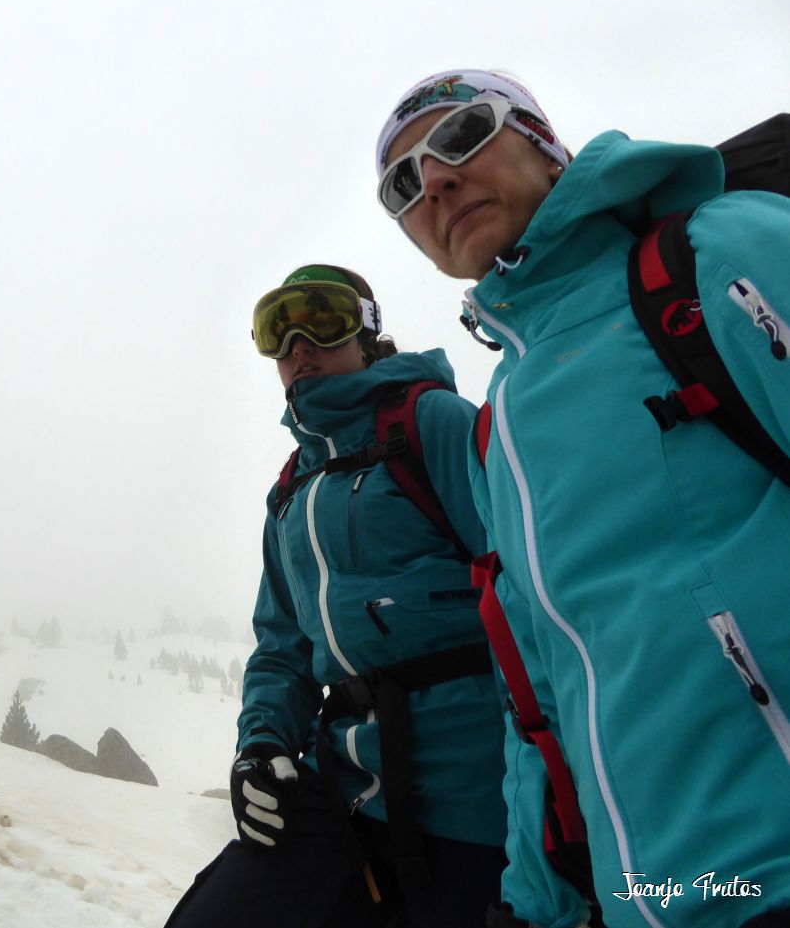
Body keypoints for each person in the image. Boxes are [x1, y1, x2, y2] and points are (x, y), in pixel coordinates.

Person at [375, 69, 790, 928]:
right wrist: (535, 905)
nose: (435, 180)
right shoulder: (498, 428)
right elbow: (539, 701)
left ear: (545, 145)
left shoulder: (718, 255)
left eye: (462, 135)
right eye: (402, 184)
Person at [164, 264, 507, 928]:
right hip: (342, 782)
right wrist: (262, 744)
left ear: (366, 331)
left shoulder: (430, 422)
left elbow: (525, 585)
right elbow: (283, 647)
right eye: (277, 330)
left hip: (474, 784)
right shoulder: (291, 490)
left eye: (322, 319)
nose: (299, 346)